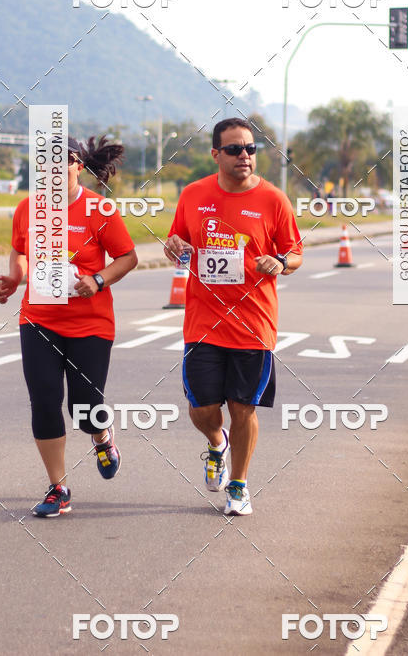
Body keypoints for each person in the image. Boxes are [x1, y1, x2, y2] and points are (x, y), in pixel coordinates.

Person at [164, 118, 303, 516]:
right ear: (216, 154)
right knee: (202, 408)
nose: (244, 156)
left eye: (250, 149)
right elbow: (178, 244)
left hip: (253, 324)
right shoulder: (193, 195)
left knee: (243, 407)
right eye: (235, 149)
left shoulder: (274, 200)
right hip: (203, 322)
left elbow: (295, 254)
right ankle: (216, 443)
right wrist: (174, 248)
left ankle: (239, 486)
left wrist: (279, 261)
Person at [0, 136, 137, 516]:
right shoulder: (28, 208)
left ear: (78, 165)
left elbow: (127, 256)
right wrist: (15, 276)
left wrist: (99, 280)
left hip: (90, 322)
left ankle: (103, 438)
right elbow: (21, 248)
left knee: (84, 406)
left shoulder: (99, 209)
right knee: (44, 400)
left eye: (63, 162)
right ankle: (58, 487)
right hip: (39, 319)